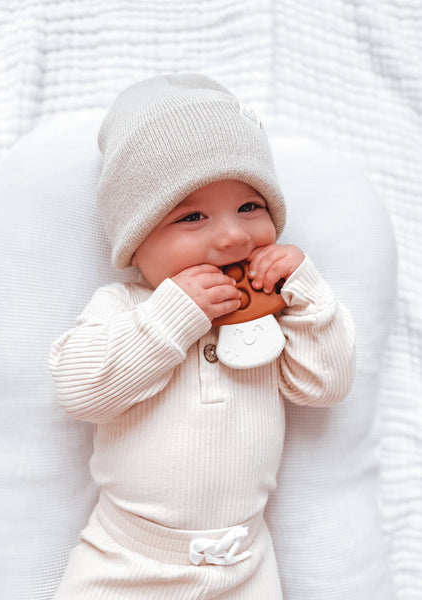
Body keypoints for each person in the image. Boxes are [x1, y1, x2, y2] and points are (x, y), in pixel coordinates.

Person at [49, 73, 355, 599]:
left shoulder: (273, 314)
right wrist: (174, 315)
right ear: (135, 243)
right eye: (192, 216)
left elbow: (326, 386)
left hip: (244, 563)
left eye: (250, 208)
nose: (234, 236)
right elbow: (80, 392)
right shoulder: (125, 307)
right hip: (125, 560)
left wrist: (305, 294)